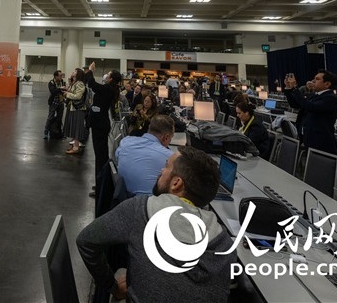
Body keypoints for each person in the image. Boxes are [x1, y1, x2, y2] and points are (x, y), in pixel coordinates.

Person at [76, 147, 236, 302]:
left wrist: (112, 286)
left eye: (166, 166)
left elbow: (85, 241)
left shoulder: (139, 210)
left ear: (176, 183)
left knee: (121, 274)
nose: (161, 170)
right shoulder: (226, 246)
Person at [284, 69, 337, 154]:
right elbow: (295, 104)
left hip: (320, 142)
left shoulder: (331, 98)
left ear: (327, 84)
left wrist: (295, 88)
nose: (313, 81)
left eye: (317, 79)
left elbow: (311, 107)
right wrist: (289, 88)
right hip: (309, 139)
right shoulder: (314, 95)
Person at [85, 62, 123, 189]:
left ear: (111, 79)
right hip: (99, 124)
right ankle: (100, 182)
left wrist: (91, 71)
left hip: (100, 126)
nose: (106, 76)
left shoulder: (108, 89)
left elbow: (92, 84)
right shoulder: (109, 88)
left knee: (101, 156)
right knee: (100, 155)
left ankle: (101, 185)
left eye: (108, 74)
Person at [115, 115, 175, 195]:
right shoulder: (170, 158)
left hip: (123, 196)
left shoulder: (125, 142)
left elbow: (118, 158)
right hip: (151, 201)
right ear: (166, 137)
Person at [62, 68, 88, 155]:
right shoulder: (75, 83)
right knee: (73, 126)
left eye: (75, 71)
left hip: (78, 109)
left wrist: (67, 94)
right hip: (73, 108)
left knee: (77, 127)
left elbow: (78, 96)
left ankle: (76, 147)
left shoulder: (80, 83)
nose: (73, 72)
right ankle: (75, 145)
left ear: (78, 74)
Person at [44, 70, 65, 140]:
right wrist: (60, 89)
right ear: (56, 76)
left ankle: (59, 132)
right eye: (60, 76)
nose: (61, 77)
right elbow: (53, 91)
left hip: (60, 103)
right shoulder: (51, 83)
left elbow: (63, 91)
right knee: (50, 117)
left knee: (59, 118)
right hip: (53, 103)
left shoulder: (62, 82)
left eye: (62, 76)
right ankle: (46, 131)